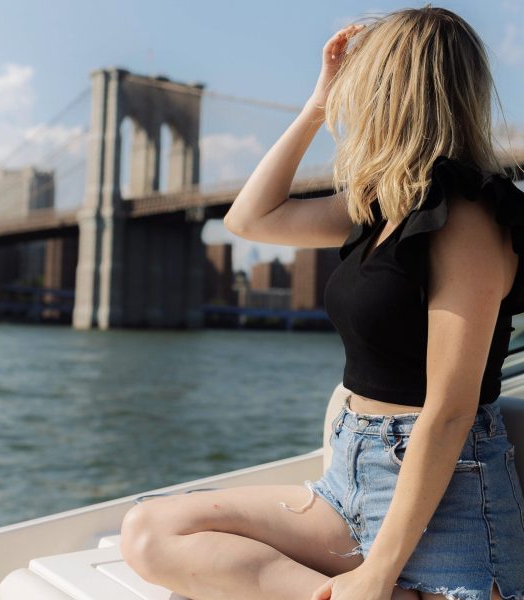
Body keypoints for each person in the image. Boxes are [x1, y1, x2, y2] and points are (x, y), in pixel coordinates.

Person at [119, 6, 524, 600]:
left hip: (448, 499)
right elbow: (250, 218)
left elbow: (449, 411)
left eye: (363, 84)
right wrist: (316, 102)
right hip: (348, 478)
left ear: (393, 88)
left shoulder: (467, 217)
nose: (353, 99)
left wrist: (378, 575)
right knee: (150, 532)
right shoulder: (380, 206)